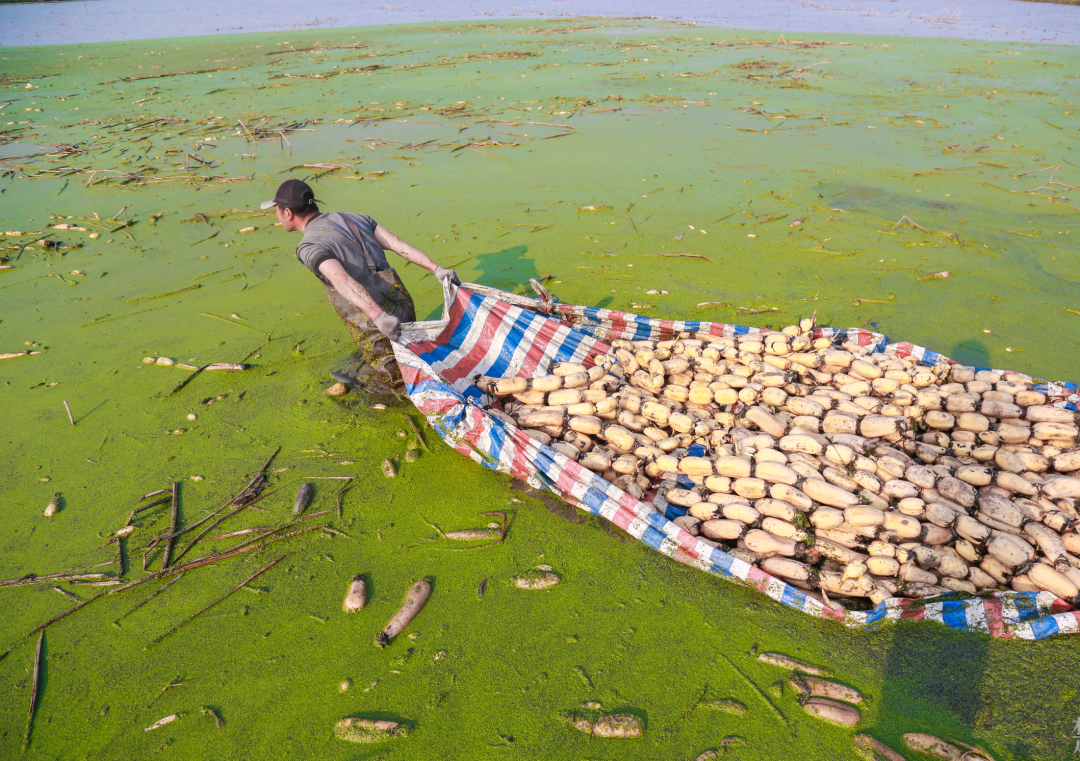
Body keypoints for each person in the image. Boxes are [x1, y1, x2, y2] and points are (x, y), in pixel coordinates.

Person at [261, 179, 459, 394]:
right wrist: (436, 269)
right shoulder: (356, 219)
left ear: (287, 213)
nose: (277, 215)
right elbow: (397, 244)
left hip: (373, 319)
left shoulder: (309, 246)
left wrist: (379, 316)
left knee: (395, 382)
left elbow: (341, 279)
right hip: (400, 300)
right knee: (411, 355)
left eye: (276, 210)